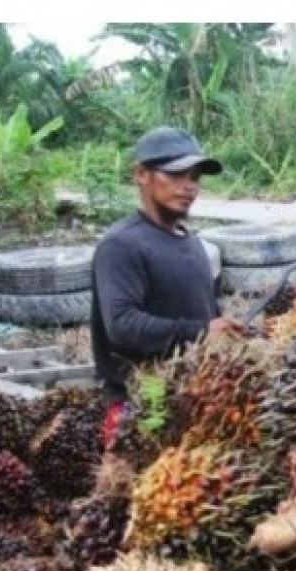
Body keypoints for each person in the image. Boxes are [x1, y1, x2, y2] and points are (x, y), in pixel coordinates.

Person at [91, 127, 245, 437]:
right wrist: (201, 331)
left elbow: (205, 314)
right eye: (175, 175)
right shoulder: (122, 245)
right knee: (145, 467)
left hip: (190, 395)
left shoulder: (192, 243)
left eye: (195, 177)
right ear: (142, 174)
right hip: (144, 401)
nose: (188, 186)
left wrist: (224, 332)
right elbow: (122, 325)